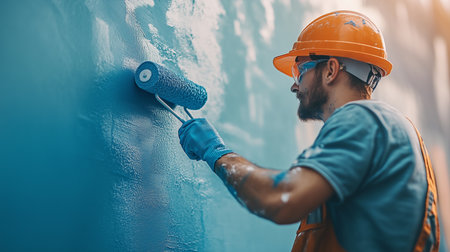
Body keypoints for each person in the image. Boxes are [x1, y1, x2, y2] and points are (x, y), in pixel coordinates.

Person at [177, 10, 440, 252]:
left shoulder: (362, 118)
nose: (294, 85)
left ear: (331, 70)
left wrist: (217, 153)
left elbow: (282, 198)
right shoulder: (387, 129)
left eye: (299, 70)